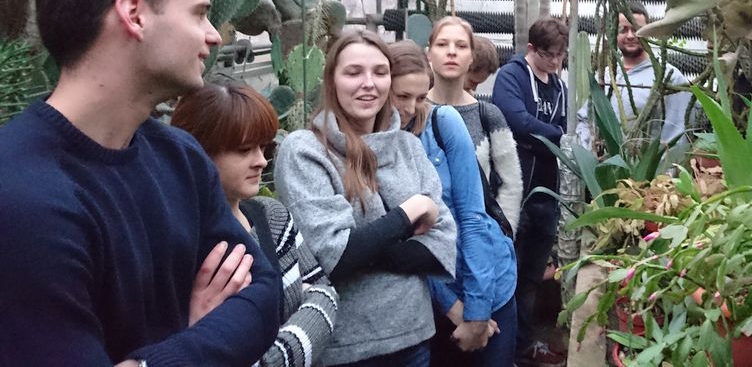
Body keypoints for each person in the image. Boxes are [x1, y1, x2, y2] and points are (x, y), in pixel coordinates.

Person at [0, 0, 280, 365]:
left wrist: (162, 356)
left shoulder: (182, 158)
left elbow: (264, 294)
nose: (214, 35)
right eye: (198, 14)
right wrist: (200, 341)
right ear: (134, 14)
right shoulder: (21, 194)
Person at [275, 31, 457, 367]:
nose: (369, 83)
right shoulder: (305, 151)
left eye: (380, 72)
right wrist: (412, 211)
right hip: (344, 348)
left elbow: (443, 243)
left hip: (413, 337)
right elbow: (334, 257)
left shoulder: (408, 147)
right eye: (354, 72)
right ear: (332, 80)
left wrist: (365, 246)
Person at [172, 82, 340, 367]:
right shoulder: (179, 241)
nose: (261, 161)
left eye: (263, 147)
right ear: (198, 150)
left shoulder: (271, 217)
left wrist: (271, 358)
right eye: (244, 149)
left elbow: (326, 294)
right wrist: (307, 316)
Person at [389, 40, 518, 367]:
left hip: (486, 279)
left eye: (421, 97)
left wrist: (477, 311)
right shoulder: (374, 148)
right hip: (430, 296)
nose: (411, 108)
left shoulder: (442, 122)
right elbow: (398, 246)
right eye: (401, 96)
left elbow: (472, 216)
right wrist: (453, 308)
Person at [492, 17, 569, 367]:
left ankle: (523, 345)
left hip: (546, 197)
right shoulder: (512, 76)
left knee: (532, 277)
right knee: (508, 273)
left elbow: (555, 127)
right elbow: (517, 122)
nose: (555, 62)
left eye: (560, 55)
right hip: (514, 195)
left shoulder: (560, 87)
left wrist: (550, 135)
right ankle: (500, 350)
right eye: (548, 55)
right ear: (531, 49)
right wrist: (556, 136)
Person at [425, 16, 522, 236]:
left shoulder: (487, 115)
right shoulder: (410, 113)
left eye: (461, 46)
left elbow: (511, 184)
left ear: (471, 57)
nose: (451, 52)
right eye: (442, 44)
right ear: (429, 53)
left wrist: (500, 237)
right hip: (422, 243)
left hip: (477, 239)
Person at [576, 2, 691, 153]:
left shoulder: (669, 78)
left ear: (648, 32)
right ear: (613, 33)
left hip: (648, 165)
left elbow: (677, 133)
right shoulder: (605, 76)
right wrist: (589, 153)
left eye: (637, 29)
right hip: (606, 164)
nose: (630, 35)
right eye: (622, 30)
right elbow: (585, 119)